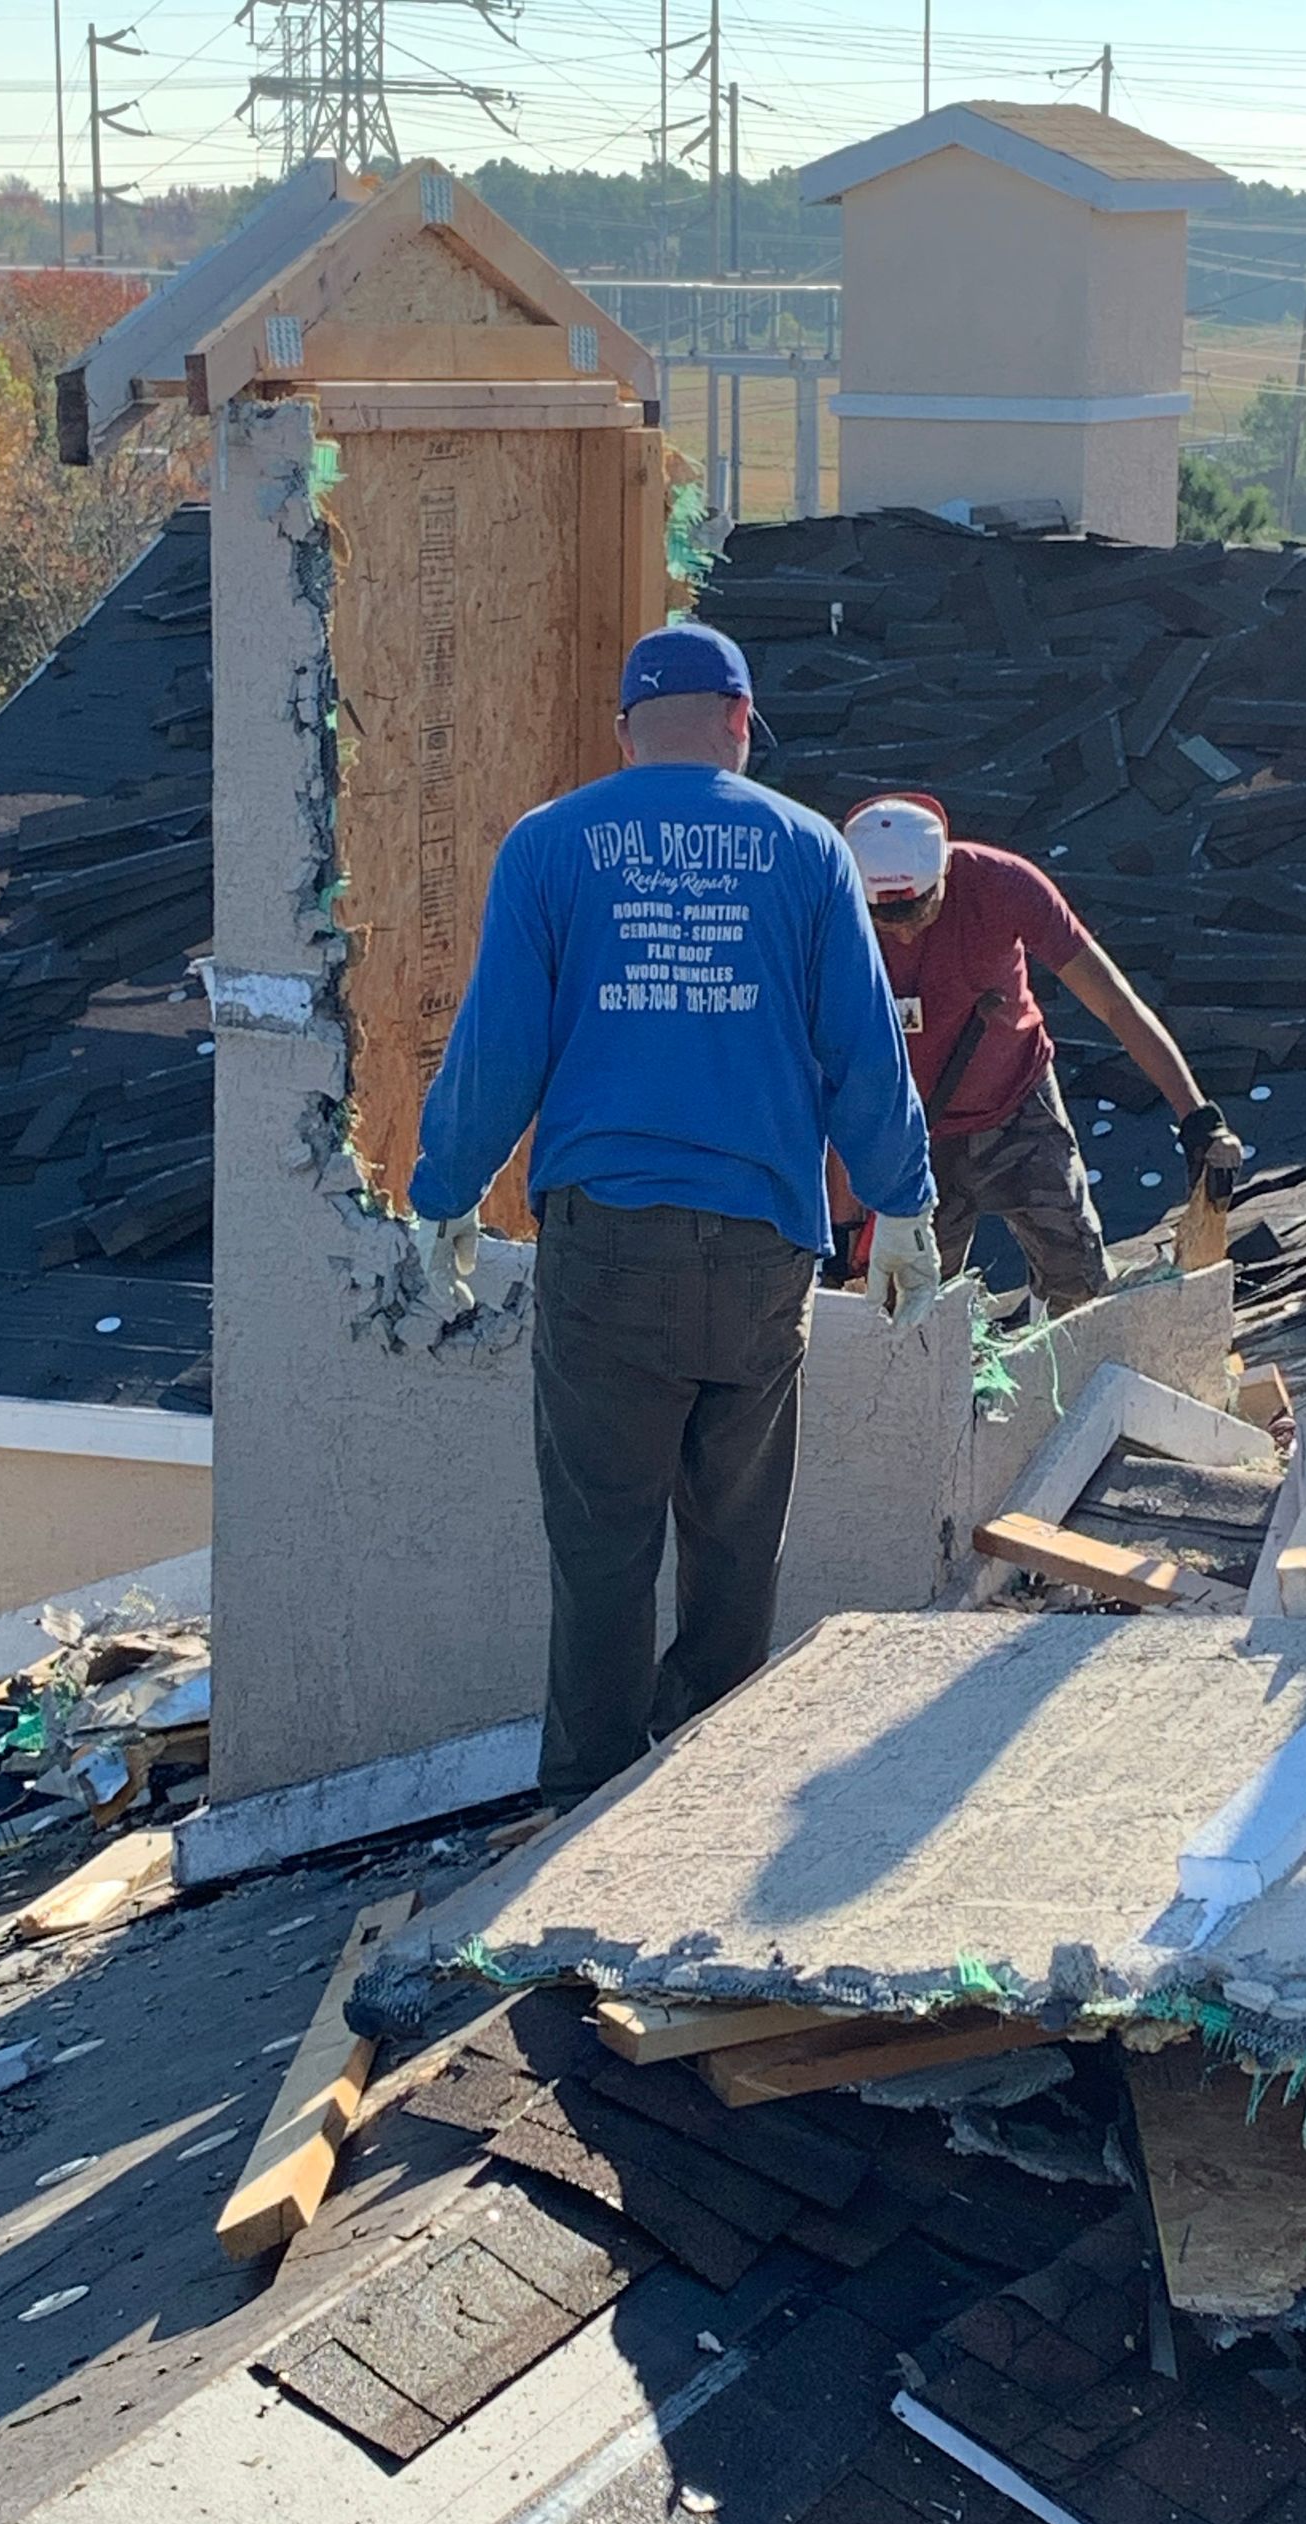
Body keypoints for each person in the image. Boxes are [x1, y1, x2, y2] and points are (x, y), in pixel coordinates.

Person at [406, 625, 937, 1813]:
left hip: (606, 1252)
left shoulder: (550, 850)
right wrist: (901, 1202)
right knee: (737, 1538)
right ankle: (701, 1798)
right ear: (741, 723)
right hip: (761, 1252)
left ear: (623, 734)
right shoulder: (807, 851)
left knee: (602, 1545)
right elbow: (864, 1051)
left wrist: (444, 1191)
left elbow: (499, 1050)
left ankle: (583, 1809)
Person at [832, 793, 1242, 1316]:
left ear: (944, 871)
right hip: (910, 1134)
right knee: (905, 1312)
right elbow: (840, 1083)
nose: (906, 930)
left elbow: (1114, 1004)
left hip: (1018, 1108)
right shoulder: (833, 922)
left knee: (1079, 1283)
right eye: (886, 918)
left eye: (917, 909)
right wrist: (845, 1229)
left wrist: (1196, 1116)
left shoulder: (1004, 887)